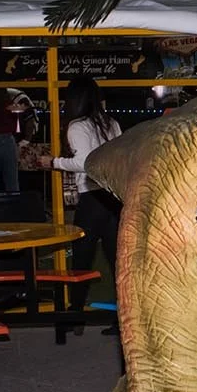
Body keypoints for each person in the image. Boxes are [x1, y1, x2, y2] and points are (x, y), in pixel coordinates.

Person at [52, 78, 123, 275]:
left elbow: (84, 163)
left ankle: (76, 303)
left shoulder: (77, 126)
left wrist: (53, 162)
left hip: (92, 196)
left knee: (82, 257)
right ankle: (123, 304)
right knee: (115, 259)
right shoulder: (111, 123)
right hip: (112, 196)